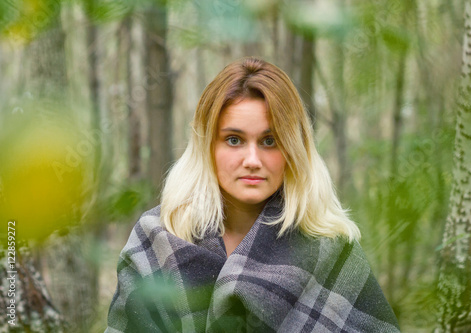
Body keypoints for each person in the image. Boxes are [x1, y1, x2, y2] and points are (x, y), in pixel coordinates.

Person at [105, 57, 400, 332]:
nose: (252, 160)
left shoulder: (331, 250)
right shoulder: (156, 242)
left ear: (293, 150)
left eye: (269, 141)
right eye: (234, 140)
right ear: (207, 146)